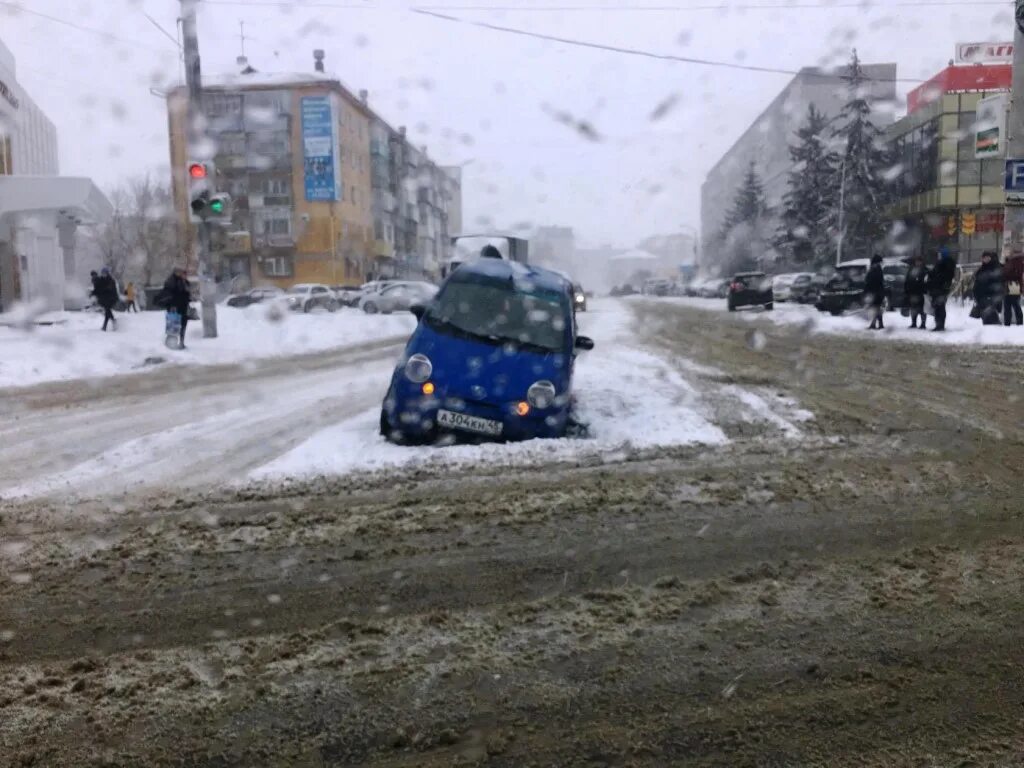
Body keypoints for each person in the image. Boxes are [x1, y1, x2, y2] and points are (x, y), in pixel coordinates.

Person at [161, 267, 192, 349]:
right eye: (183, 274)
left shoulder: (187, 283)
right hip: (175, 308)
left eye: (185, 274)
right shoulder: (174, 282)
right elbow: (172, 295)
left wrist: (190, 297)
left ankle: (182, 342)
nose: (184, 276)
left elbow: (187, 295)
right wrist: (172, 306)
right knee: (173, 326)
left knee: (183, 326)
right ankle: (171, 344)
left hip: (184, 308)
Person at [972, 250, 1004, 326]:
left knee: (991, 319)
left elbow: (998, 282)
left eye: (987, 258)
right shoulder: (981, 269)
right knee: (986, 319)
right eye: (984, 258)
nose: (986, 259)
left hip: (990, 297)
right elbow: (977, 283)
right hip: (982, 297)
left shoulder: (995, 268)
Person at [928, 248, 956, 332]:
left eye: (940, 254)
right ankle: (938, 324)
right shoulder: (940, 263)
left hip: (941, 288)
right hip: (937, 288)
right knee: (937, 306)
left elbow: (946, 275)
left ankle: (940, 325)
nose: (938, 255)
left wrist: (937, 279)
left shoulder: (947, 263)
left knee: (940, 306)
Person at [904, 254, 929, 329]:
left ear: (921, 262)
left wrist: (925, 290)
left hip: (921, 292)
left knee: (922, 309)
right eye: (916, 261)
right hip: (913, 292)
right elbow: (907, 280)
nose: (917, 263)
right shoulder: (912, 269)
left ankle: (923, 323)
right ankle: (913, 323)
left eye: (919, 261)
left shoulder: (925, 270)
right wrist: (907, 289)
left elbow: (927, 281)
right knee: (913, 308)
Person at [864, 254, 886, 330]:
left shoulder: (876, 270)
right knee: (876, 308)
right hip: (875, 292)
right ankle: (877, 324)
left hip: (876, 292)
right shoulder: (875, 270)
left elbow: (875, 282)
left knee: (876, 308)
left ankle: (877, 324)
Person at [94, 267, 119, 332]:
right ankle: (111, 322)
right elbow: (97, 288)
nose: (103, 274)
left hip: (111, 298)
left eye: (105, 273)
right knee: (107, 311)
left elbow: (110, 289)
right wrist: (93, 292)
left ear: (107, 273)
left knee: (107, 310)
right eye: (102, 273)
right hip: (104, 299)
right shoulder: (100, 280)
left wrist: (104, 290)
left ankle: (106, 326)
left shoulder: (111, 280)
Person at [1002, 251, 1024, 326]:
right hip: (1013, 286)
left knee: (1009, 306)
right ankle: (1018, 322)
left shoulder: (1014, 261)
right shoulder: (1018, 261)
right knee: (1015, 305)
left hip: (1011, 285)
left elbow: (1008, 272)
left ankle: (1008, 323)